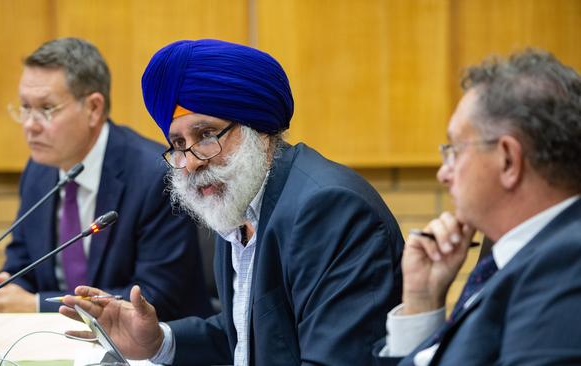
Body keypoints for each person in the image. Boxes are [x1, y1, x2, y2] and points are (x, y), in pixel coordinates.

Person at [60, 39, 405, 365]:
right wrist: (158, 340)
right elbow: (250, 333)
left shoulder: (329, 210)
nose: (191, 161)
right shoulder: (241, 202)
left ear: (259, 129)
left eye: (207, 135)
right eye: (179, 144)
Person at [0, 38, 213, 329]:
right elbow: (22, 263)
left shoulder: (155, 175)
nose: (30, 124)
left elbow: (156, 297)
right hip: (56, 344)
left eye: (46, 109)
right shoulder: (39, 172)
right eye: (26, 108)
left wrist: (37, 305)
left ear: (93, 108)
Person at [373, 49, 581, 365]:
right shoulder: (512, 255)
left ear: (508, 159)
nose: (444, 173)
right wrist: (422, 301)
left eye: (455, 150)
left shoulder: (567, 265)